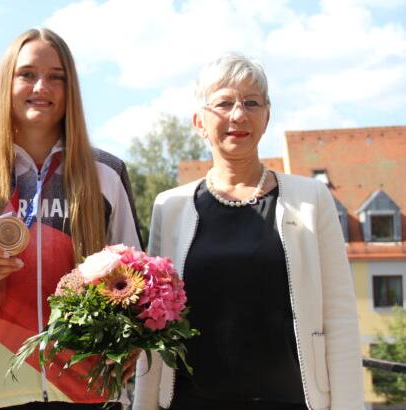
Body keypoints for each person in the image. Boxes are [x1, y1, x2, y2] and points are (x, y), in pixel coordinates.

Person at [0, 28, 142, 409]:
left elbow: (139, 277)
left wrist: (134, 338)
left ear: (70, 87)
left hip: (87, 392)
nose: (42, 86)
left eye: (57, 76)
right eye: (27, 74)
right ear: (6, 83)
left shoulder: (106, 173)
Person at [132, 53, 364, 410]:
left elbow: (340, 316)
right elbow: (154, 321)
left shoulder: (311, 199)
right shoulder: (170, 207)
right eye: (224, 103)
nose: (238, 115)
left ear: (267, 116)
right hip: (189, 402)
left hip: (290, 401)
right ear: (199, 121)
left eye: (251, 102)